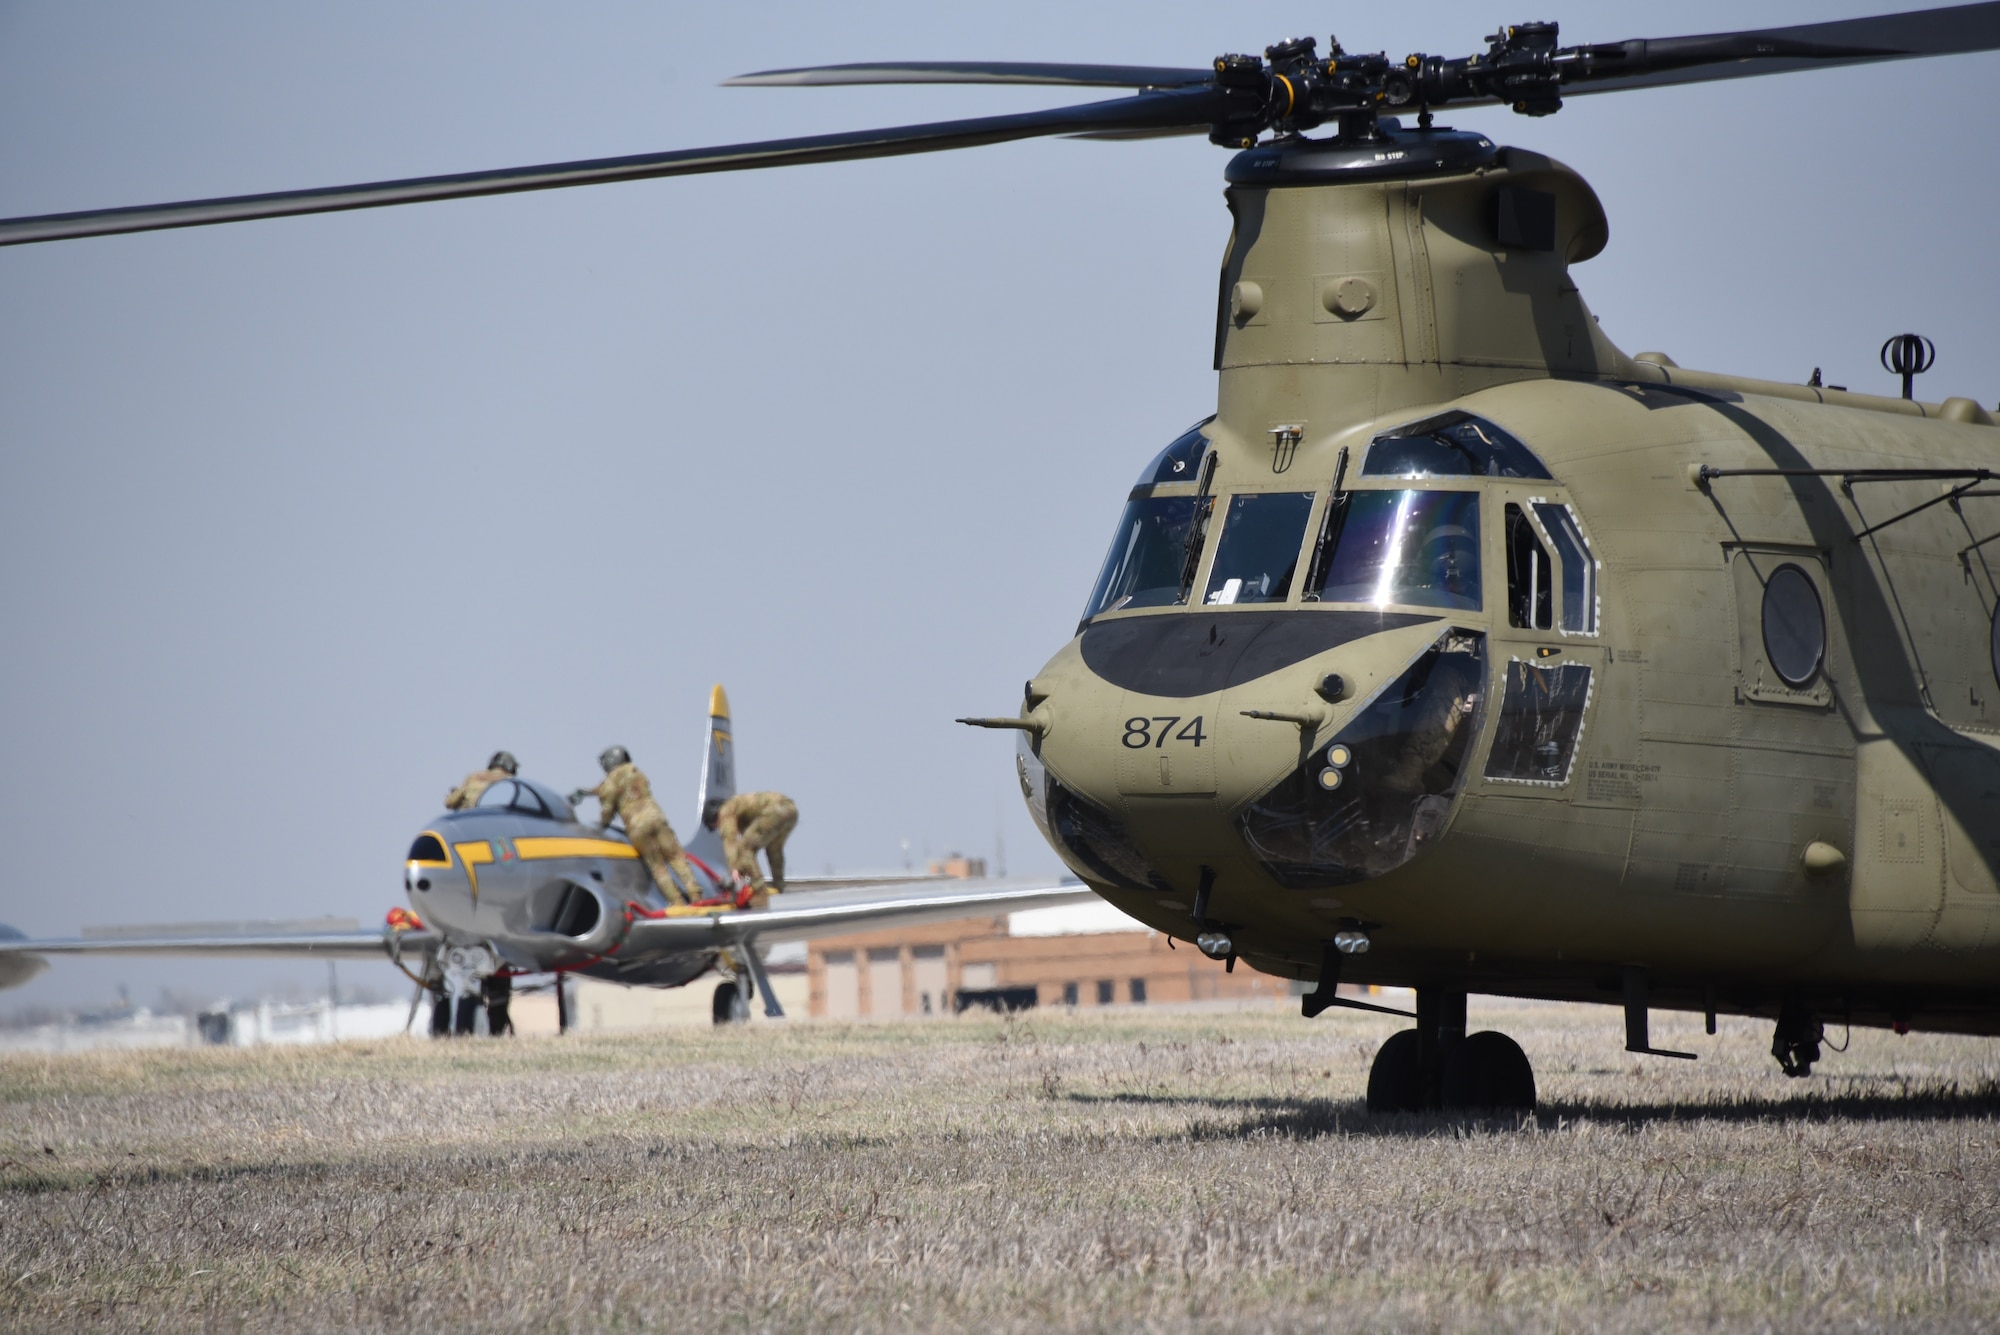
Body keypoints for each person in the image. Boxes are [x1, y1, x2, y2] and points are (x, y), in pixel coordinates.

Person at [573, 746, 698, 905]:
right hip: (656, 817)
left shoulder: (611, 780)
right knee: (676, 857)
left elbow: (607, 805)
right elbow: (620, 785)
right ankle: (695, 895)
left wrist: (603, 823)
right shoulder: (636, 772)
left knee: (657, 867)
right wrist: (588, 792)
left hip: (637, 826)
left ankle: (677, 901)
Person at [716, 790, 799, 897]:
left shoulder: (725, 811)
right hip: (791, 809)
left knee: (745, 849)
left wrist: (734, 868)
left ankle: (759, 891)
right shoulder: (740, 810)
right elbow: (751, 838)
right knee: (774, 849)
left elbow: (730, 840)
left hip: (774, 811)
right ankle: (779, 887)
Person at [445, 750, 518, 810]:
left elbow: (451, 802)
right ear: (510, 767)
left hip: (467, 819)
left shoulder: (474, 776)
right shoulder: (510, 782)